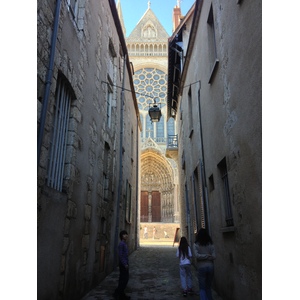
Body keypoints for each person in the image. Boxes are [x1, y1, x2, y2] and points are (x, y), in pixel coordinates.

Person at [193, 228, 216, 300]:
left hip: (201, 267)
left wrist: (202, 257)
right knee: (208, 287)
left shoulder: (196, 244)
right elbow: (213, 256)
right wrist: (207, 256)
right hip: (210, 266)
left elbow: (197, 255)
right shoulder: (210, 244)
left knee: (202, 287)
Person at [113, 230, 131, 300]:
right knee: (124, 279)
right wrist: (125, 264)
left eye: (126, 234)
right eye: (124, 235)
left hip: (125, 263)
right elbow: (120, 255)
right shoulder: (121, 244)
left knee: (123, 279)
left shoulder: (124, 244)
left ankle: (121, 294)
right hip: (123, 264)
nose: (126, 235)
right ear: (121, 236)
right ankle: (118, 293)